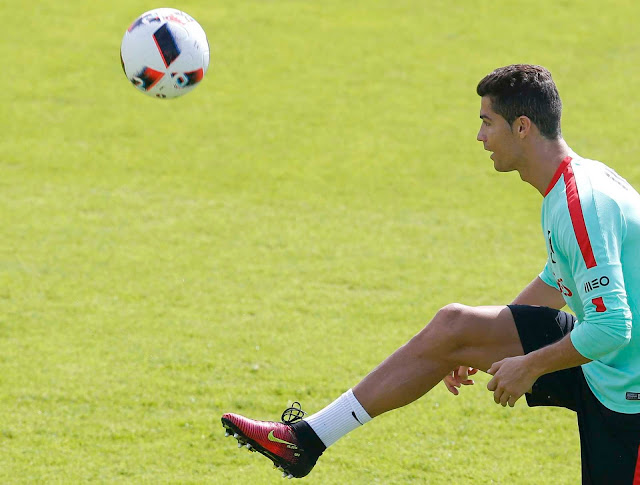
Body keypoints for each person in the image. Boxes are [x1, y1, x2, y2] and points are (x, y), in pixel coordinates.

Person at [221, 64, 640, 483]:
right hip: (611, 362)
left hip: (629, 387)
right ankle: (305, 439)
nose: (480, 137)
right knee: (455, 327)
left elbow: (611, 326)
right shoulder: (568, 186)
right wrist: (479, 342)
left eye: (487, 122)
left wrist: (529, 365)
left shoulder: (581, 203)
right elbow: (556, 281)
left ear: (522, 127)